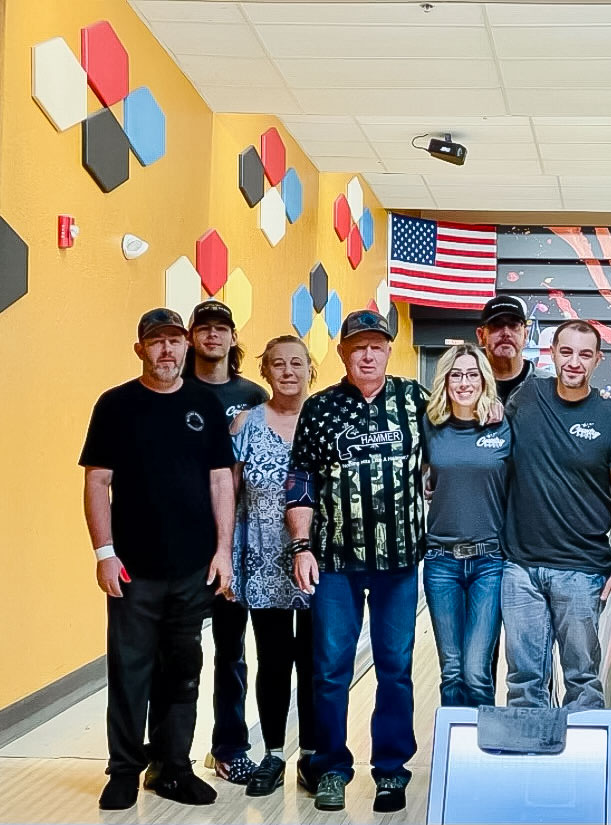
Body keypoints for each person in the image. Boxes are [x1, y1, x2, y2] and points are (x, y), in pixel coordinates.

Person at [80, 308, 234, 810]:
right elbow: (97, 481)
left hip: (192, 569)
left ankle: (173, 767)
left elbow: (219, 481)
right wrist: (105, 554)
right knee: (130, 672)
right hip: (133, 571)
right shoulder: (116, 405)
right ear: (140, 349)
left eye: (174, 341)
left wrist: (223, 551)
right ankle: (124, 769)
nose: (167, 350)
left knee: (183, 670)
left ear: (187, 347)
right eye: (156, 341)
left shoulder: (204, 406)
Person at [288, 309, 425, 815]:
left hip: (399, 563)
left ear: (389, 350)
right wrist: (302, 547)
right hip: (336, 564)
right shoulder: (320, 408)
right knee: (329, 669)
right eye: (358, 347)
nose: (368, 354)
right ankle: (330, 767)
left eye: (377, 346)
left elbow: (454, 445)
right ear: (343, 353)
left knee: (395, 669)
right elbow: (300, 481)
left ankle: (391, 769)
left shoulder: (416, 401)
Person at [501, 319, 611, 710]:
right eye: (566, 352)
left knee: (583, 679)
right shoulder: (525, 399)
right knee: (523, 682)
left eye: (584, 354)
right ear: (552, 354)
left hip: (582, 569)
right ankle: (532, 769)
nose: (574, 362)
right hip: (520, 567)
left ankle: (585, 769)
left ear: (598, 359)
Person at [229, 335, 318, 796]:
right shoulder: (246, 423)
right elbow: (229, 493)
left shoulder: (325, 418)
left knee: (316, 662)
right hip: (264, 559)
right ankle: (274, 753)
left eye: (296, 363)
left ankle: (314, 755)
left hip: (320, 561)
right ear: (265, 373)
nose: (287, 371)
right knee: (273, 660)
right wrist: (224, 553)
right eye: (278, 364)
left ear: (310, 369)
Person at [185, 299, 268, 785]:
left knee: (231, 652)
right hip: (186, 540)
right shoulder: (176, 389)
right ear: (193, 337)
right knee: (175, 654)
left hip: (237, 544)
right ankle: (167, 753)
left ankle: (230, 746)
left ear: (234, 338)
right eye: (205, 329)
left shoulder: (254, 395)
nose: (213, 337)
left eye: (221, 329)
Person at [422, 344, 511, 708]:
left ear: (484, 380)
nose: (464, 382)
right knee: (452, 671)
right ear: (444, 380)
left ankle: (482, 760)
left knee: (477, 670)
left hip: (490, 561)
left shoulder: (503, 424)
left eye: (472, 374)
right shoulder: (429, 425)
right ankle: (453, 760)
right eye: (456, 374)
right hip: (441, 561)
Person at [477, 294, 540, 401]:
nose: (506, 333)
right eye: (496, 325)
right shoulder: (464, 387)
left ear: (525, 335)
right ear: (481, 335)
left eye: (513, 325)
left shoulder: (549, 386)